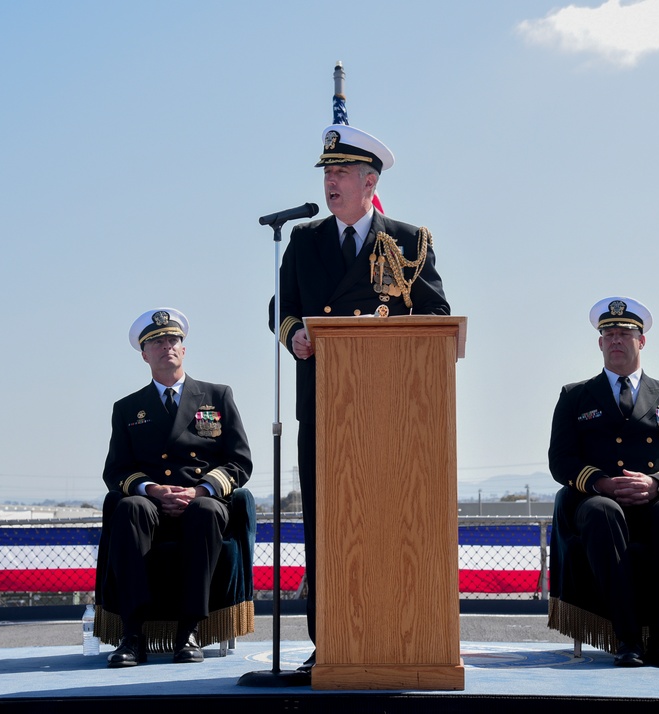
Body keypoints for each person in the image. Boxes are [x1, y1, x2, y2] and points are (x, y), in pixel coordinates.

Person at [269, 124, 450, 671]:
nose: (331, 182)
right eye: (327, 173)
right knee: (328, 526)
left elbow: (438, 316)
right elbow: (279, 308)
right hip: (326, 405)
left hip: (395, 409)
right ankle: (331, 644)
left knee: (398, 522)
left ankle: (404, 636)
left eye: (342, 172)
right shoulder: (305, 241)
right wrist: (295, 332)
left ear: (371, 182)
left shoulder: (409, 240)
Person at [548, 297, 659, 668]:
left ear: (642, 341)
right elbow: (562, 460)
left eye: (625, 333)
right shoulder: (575, 396)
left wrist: (658, 484)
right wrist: (601, 483)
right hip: (600, 501)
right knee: (601, 514)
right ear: (600, 343)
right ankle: (628, 639)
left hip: (656, 501)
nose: (616, 340)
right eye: (609, 334)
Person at [100, 308, 251, 668]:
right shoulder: (127, 408)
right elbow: (117, 470)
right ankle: (133, 634)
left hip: (201, 501)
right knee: (128, 507)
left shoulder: (217, 395)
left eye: (172, 340)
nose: (166, 346)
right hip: (152, 504)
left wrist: (200, 491)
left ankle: (189, 631)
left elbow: (239, 461)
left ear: (183, 349)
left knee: (206, 511)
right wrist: (151, 489)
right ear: (145, 355)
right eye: (157, 342)